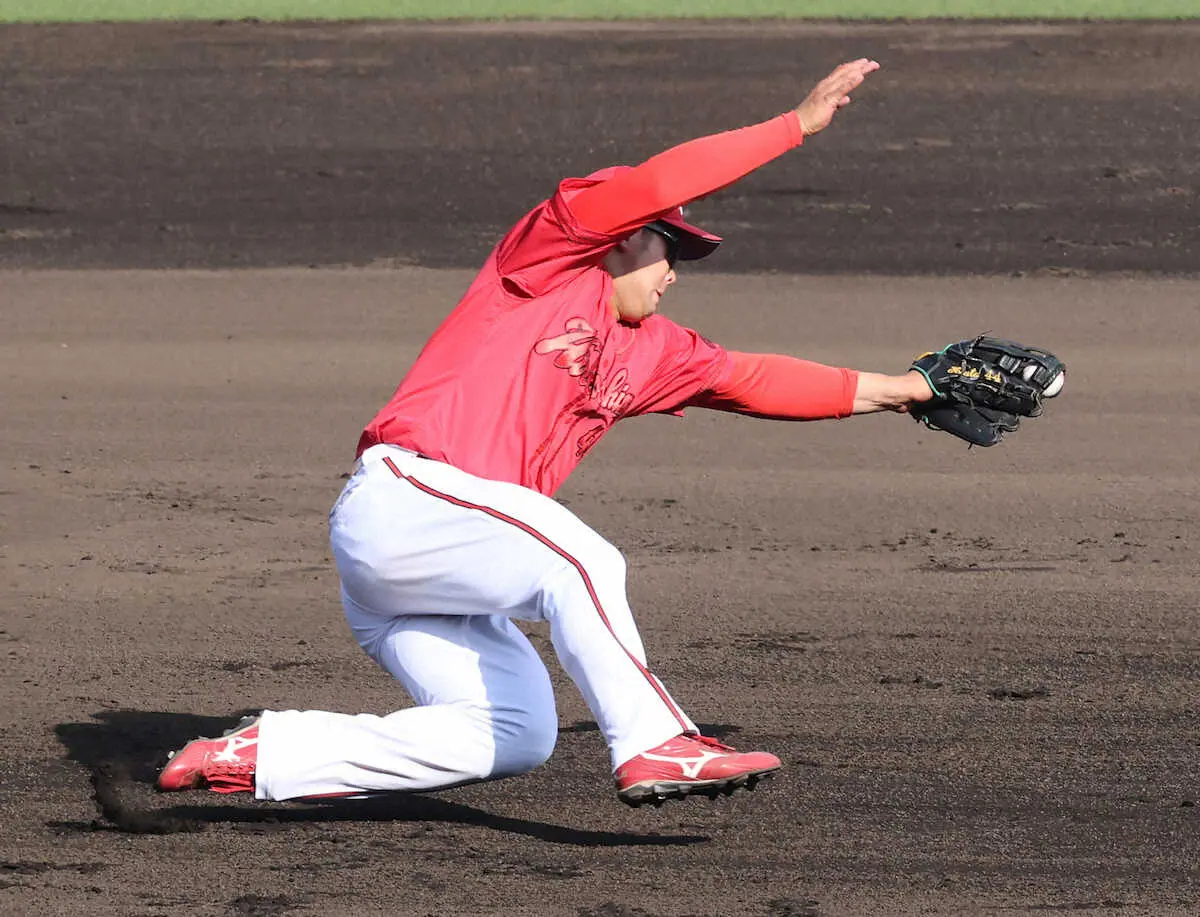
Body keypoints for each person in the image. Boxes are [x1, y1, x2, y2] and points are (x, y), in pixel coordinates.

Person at [158, 58, 935, 808]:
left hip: (436, 570)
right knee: (582, 559)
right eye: (670, 250)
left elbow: (753, 379)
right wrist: (793, 126)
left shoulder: (653, 348)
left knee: (512, 731)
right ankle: (657, 739)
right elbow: (660, 183)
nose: (675, 272)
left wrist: (906, 391)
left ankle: (267, 754)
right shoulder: (545, 261)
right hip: (407, 500)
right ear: (624, 235)